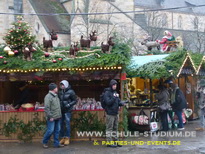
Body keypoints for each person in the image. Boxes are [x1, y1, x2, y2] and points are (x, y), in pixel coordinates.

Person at [103, 79, 126, 148]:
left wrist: (122, 103)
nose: (115, 86)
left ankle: (116, 141)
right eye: (114, 85)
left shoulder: (115, 92)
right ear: (111, 85)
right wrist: (114, 97)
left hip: (116, 113)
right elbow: (108, 102)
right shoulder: (107, 93)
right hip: (110, 113)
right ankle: (109, 142)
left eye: (116, 85)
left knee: (115, 128)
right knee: (109, 128)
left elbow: (118, 101)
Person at [42, 83, 64, 148]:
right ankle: (44, 142)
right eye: (56, 88)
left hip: (58, 116)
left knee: (57, 130)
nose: (57, 88)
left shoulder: (56, 95)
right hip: (52, 117)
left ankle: (56, 143)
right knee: (50, 130)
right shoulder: (48, 97)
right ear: (53, 89)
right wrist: (50, 116)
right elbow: (47, 108)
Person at [58, 80, 77, 145]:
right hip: (61, 110)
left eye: (63, 85)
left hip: (67, 110)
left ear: (66, 85)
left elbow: (75, 100)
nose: (61, 86)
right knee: (61, 124)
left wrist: (69, 105)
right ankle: (62, 137)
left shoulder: (71, 92)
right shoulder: (60, 92)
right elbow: (59, 100)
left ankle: (67, 138)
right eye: (61, 85)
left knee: (67, 124)